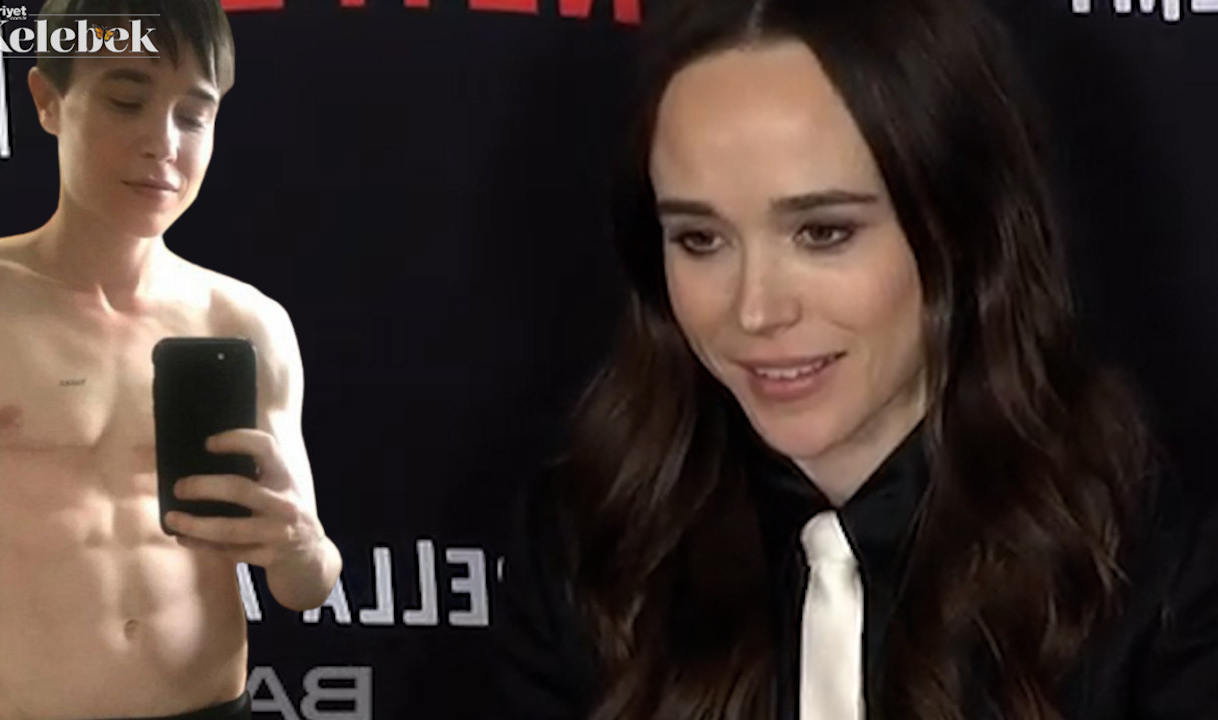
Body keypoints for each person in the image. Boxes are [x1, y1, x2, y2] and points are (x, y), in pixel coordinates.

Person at [494, 0, 1218, 718]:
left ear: (963, 229)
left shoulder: (1153, 574)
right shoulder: (587, 548)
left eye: (823, 233)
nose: (756, 311)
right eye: (700, 240)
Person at [0, 2, 341, 719]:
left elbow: (305, 586)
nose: (163, 143)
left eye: (194, 115)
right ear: (48, 100)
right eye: (127, 101)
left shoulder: (246, 323)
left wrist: (300, 544)